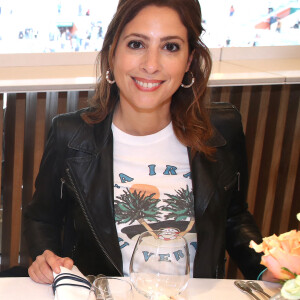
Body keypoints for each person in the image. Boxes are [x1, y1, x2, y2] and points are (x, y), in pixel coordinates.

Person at [23, 0, 276, 284]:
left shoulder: (221, 131)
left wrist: (267, 267)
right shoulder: (70, 135)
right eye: (136, 44)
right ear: (111, 53)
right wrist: (44, 255)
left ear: (189, 60)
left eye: (170, 47)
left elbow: (233, 217)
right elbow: (41, 219)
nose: (151, 65)